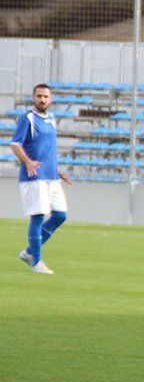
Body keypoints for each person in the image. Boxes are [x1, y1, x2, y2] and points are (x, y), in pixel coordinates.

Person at [10, 83, 71, 275]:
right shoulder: (27, 118)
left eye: (45, 96)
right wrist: (27, 162)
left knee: (60, 215)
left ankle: (29, 252)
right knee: (38, 217)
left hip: (51, 177)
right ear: (33, 98)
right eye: (39, 96)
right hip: (34, 177)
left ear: (51, 99)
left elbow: (47, 149)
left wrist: (57, 170)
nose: (42, 100)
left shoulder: (52, 118)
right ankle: (37, 262)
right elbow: (15, 144)